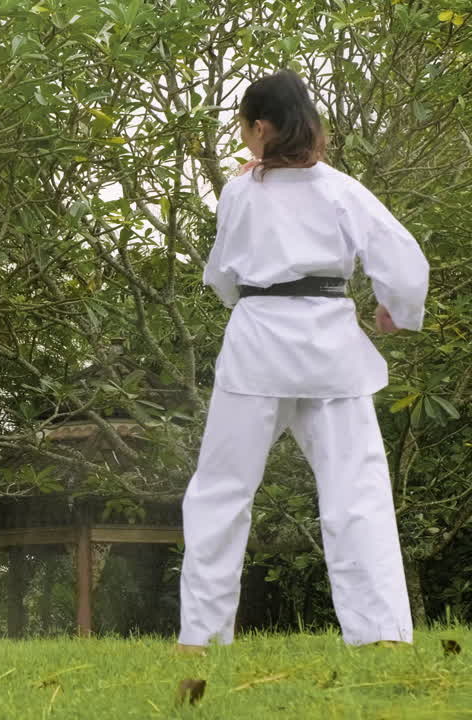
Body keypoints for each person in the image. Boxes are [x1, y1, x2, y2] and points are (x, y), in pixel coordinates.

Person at [177, 70, 429, 652]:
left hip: (258, 347)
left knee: (221, 490)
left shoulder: (242, 190)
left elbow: (221, 278)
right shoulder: (342, 189)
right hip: (330, 350)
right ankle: (382, 634)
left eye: (244, 129)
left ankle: (202, 636)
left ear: (260, 127)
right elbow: (403, 259)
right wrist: (395, 310)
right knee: (357, 490)